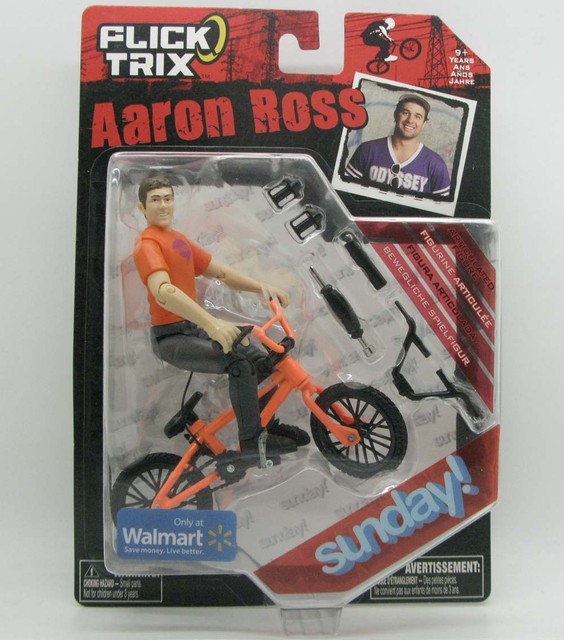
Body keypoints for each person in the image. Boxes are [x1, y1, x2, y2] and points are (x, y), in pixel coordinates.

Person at [133, 174, 309, 463]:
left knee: (261, 362)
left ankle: (265, 424)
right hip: (171, 337)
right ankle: (252, 441)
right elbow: (163, 292)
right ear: (142, 207)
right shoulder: (147, 244)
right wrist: (212, 324)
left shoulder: (178, 241)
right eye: (155, 200)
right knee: (239, 363)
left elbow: (222, 273)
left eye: (167, 198)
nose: (163, 205)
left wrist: (261, 287)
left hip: (192, 328)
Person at [344, 94, 451, 197]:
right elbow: (345, 192)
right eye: (405, 113)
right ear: (395, 115)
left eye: (417, 116)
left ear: (424, 123)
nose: (410, 120)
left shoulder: (435, 164)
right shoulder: (367, 150)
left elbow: (442, 206)